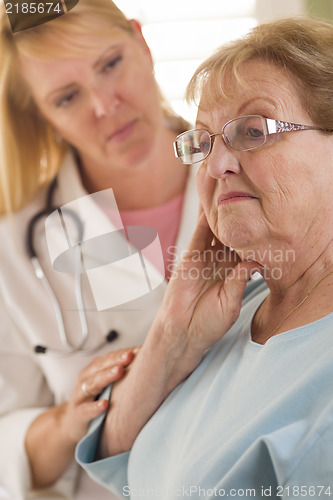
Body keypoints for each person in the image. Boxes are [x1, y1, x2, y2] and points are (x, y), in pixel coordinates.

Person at [76, 17, 333, 498]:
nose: (216, 165)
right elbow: (120, 464)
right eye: (204, 141)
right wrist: (171, 337)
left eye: (253, 130)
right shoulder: (232, 307)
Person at [0, 1, 198, 500]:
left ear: (142, 43)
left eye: (110, 64)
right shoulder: (14, 247)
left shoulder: (259, 175)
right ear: (41, 115)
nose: (105, 106)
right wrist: (68, 422)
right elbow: (9, 445)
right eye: (67, 97)